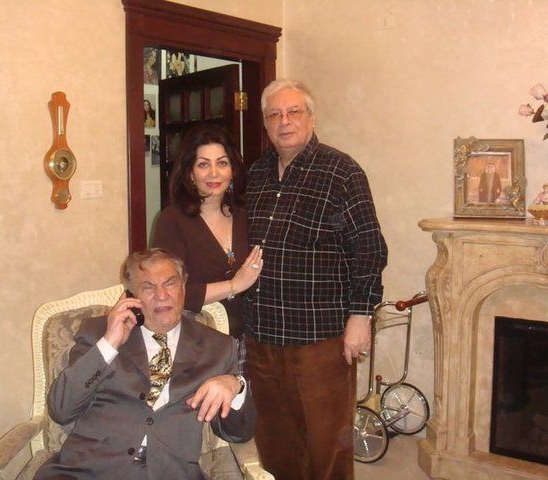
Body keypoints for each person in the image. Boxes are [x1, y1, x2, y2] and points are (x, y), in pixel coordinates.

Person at [244, 79, 388, 480]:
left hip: (319, 336)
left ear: (311, 117)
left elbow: (369, 248)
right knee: (275, 440)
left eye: (294, 111)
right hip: (263, 334)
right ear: (265, 123)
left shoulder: (341, 171)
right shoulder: (256, 173)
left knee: (327, 444)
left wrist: (361, 316)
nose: (284, 121)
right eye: (274, 114)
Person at [34, 248, 255, 480]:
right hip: (88, 472)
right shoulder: (97, 332)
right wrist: (109, 343)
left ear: (183, 287)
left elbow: (238, 434)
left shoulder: (217, 347)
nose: (161, 295)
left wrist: (236, 386)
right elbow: (61, 411)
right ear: (132, 296)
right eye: (148, 287)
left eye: (170, 283)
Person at [152, 124, 263, 374]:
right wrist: (234, 285)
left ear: (232, 170)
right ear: (190, 172)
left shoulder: (245, 214)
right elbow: (170, 292)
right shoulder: (171, 220)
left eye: (222, 163)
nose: (214, 173)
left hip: (249, 341)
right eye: (203, 164)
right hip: (197, 346)